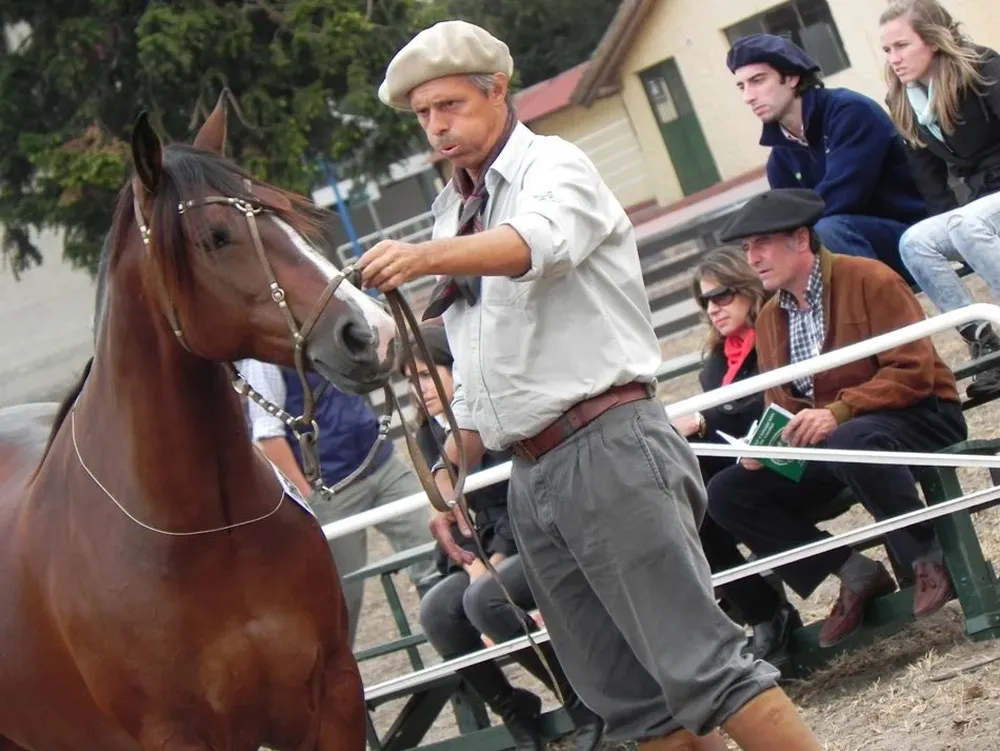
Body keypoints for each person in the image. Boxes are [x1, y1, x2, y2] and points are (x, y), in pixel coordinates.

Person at [357, 19, 824, 750]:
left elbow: (534, 245)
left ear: (497, 90)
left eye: (449, 105)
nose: (435, 126)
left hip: (608, 442)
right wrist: (452, 468)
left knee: (705, 666)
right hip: (529, 469)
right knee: (629, 702)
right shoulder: (453, 209)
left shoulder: (555, 167)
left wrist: (422, 258)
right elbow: (480, 367)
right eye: (422, 115)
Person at [706, 188, 967, 649]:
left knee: (852, 436)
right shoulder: (770, 317)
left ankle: (927, 554)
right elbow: (783, 402)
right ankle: (853, 571)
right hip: (840, 439)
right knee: (727, 492)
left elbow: (913, 372)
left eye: (762, 244)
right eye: (747, 249)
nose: (754, 258)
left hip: (919, 415)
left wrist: (836, 411)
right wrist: (768, 445)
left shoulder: (869, 279)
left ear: (801, 239)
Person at [404, 323, 603, 751]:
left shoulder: (491, 410)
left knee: (485, 599)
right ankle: (514, 708)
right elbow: (464, 513)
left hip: (545, 530)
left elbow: (523, 486)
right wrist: (476, 559)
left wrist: (492, 558)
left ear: (453, 365)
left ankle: (581, 697)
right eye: (410, 380)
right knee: (437, 611)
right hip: (493, 544)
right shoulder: (429, 433)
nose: (419, 388)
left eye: (425, 373)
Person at [240, 359, 435, 647]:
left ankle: (463, 657)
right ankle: (339, 672)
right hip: (330, 486)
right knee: (342, 596)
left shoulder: (329, 326)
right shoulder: (263, 361)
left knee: (433, 553)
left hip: (380, 462)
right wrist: (308, 495)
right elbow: (268, 434)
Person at [674, 248, 801, 661]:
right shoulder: (715, 362)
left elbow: (778, 401)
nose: (713, 308)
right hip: (742, 465)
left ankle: (767, 610)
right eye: (705, 301)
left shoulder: (778, 330)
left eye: (722, 295)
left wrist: (704, 421)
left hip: (792, 451)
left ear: (748, 290)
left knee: (712, 492)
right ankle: (763, 611)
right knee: (681, 495)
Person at [726, 33, 928, 282]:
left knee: (826, 230)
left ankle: (886, 309)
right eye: (742, 86)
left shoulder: (850, 112)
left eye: (757, 80)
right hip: (851, 248)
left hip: (914, 237)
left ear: (791, 76)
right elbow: (789, 222)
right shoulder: (780, 160)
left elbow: (842, 197)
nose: (748, 97)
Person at [880, 0, 1000, 400]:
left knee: (967, 224)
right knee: (914, 241)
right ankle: (986, 345)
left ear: (931, 41)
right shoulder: (903, 100)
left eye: (901, 46)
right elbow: (931, 185)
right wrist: (951, 228)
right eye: (887, 51)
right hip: (978, 205)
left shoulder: (982, 69)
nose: (894, 59)